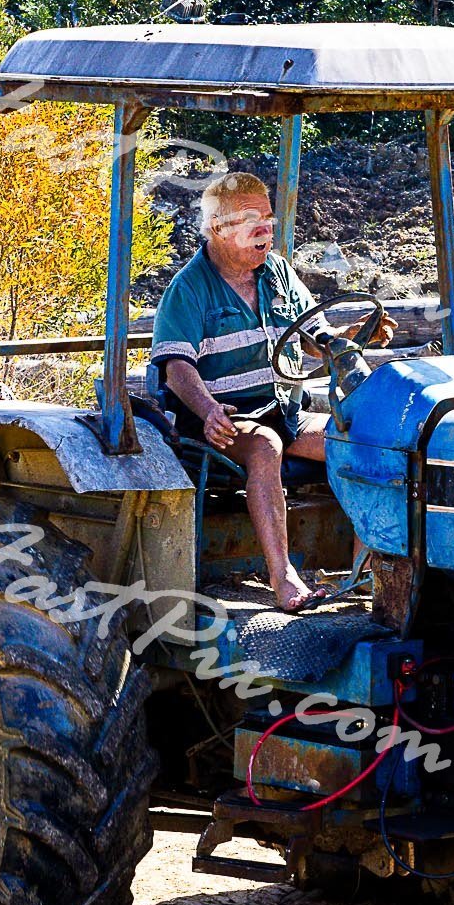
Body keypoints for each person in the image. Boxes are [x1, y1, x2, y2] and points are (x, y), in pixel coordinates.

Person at [150, 172, 394, 612]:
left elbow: (311, 337)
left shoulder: (278, 272)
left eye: (267, 217)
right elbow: (176, 368)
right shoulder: (188, 289)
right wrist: (207, 411)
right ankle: (282, 577)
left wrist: (349, 336)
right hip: (225, 422)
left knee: (365, 436)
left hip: (284, 410)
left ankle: (365, 569)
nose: (266, 229)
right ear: (219, 229)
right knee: (264, 446)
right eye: (251, 220)